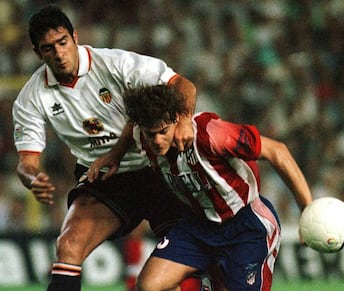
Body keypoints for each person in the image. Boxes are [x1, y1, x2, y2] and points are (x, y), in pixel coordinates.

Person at [12, 5, 211, 291]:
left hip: (158, 167)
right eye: (48, 48)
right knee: (68, 245)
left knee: (179, 267)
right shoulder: (31, 97)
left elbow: (182, 85)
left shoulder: (115, 64)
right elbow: (27, 163)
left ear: (75, 37)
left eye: (62, 42)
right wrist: (33, 179)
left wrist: (182, 121)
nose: (58, 53)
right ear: (37, 52)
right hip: (105, 176)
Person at [119, 84, 313, 290]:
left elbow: (277, 151)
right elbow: (131, 130)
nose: (156, 141)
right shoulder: (142, 137)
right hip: (197, 226)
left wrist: (307, 210)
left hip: (245, 225)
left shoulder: (211, 134)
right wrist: (113, 156)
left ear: (177, 120)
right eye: (151, 134)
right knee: (149, 285)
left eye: (163, 132)